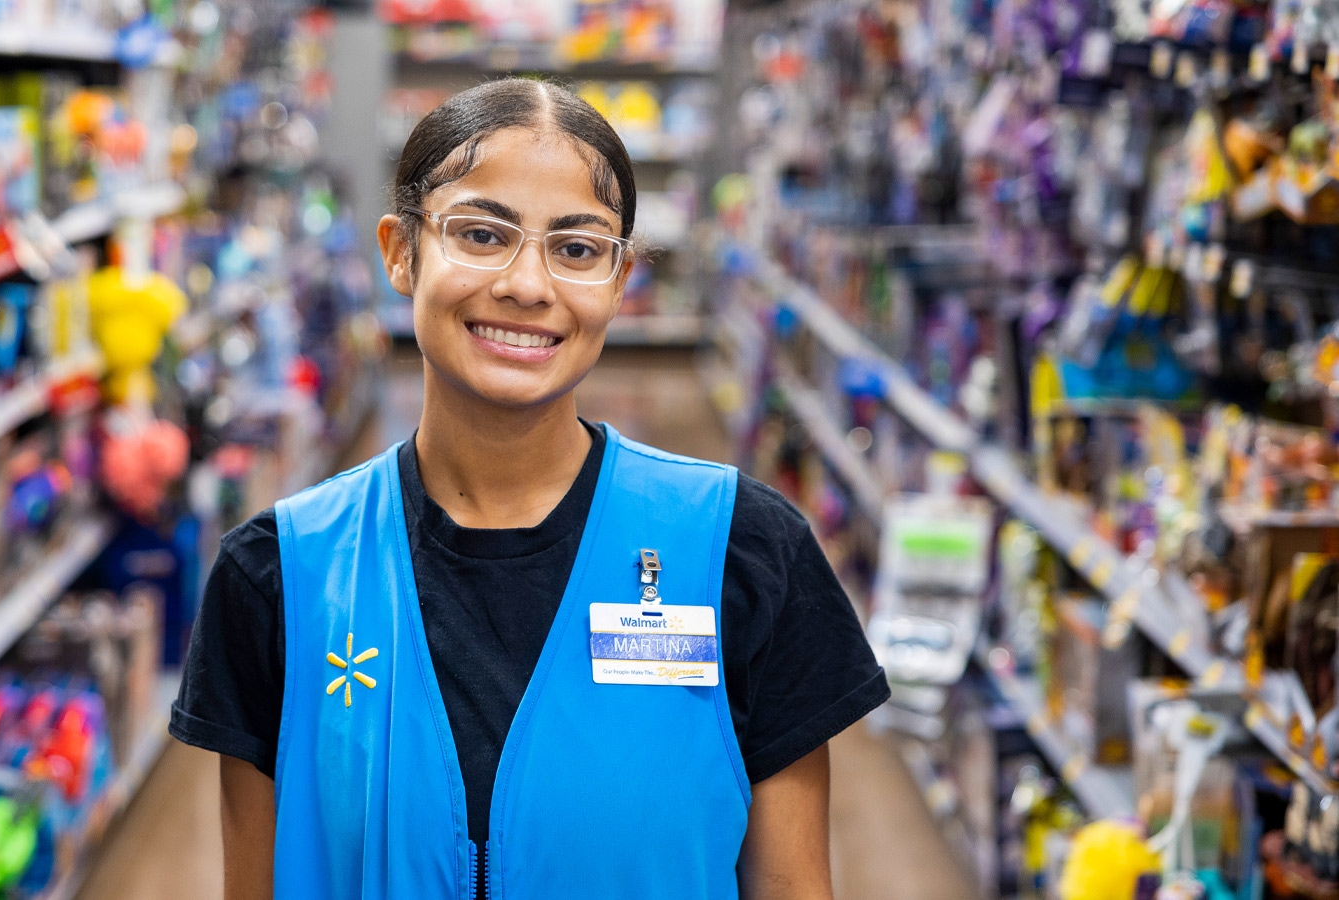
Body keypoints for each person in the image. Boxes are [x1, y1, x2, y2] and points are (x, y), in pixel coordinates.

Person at [170, 77, 889, 900]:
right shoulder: (280, 574)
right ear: (400, 252)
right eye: (481, 234)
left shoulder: (742, 551)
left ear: (619, 282)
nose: (526, 285)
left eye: (577, 248)